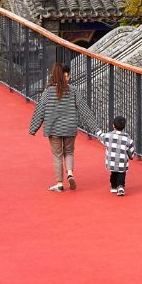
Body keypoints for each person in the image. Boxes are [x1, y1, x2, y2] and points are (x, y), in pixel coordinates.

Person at [28, 61, 101, 192]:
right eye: (67, 76)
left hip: (53, 129)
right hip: (69, 127)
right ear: (62, 77)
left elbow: (40, 111)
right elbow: (84, 110)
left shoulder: (47, 92)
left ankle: (59, 183)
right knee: (69, 152)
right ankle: (70, 173)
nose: (69, 78)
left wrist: (33, 128)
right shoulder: (73, 91)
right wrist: (96, 129)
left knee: (57, 155)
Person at [94, 115, 136, 196]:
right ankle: (120, 186)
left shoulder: (108, 136)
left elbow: (100, 136)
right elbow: (131, 152)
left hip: (111, 161)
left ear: (113, 125)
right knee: (122, 173)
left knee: (113, 173)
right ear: (124, 127)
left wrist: (97, 130)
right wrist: (131, 156)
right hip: (122, 162)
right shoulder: (128, 140)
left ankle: (113, 186)